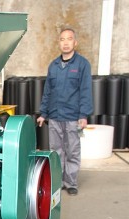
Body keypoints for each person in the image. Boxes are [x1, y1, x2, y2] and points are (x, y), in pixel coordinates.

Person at [37, 28, 93, 196]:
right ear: (59, 43)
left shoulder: (82, 64)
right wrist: (43, 113)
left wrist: (83, 115)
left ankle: (71, 183)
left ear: (75, 42)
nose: (66, 42)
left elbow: (86, 90)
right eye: (62, 39)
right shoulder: (53, 66)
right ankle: (57, 182)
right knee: (56, 151)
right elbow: (47, 91)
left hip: (73, 117)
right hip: (55, 116)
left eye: (69, 39)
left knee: (72, 151)